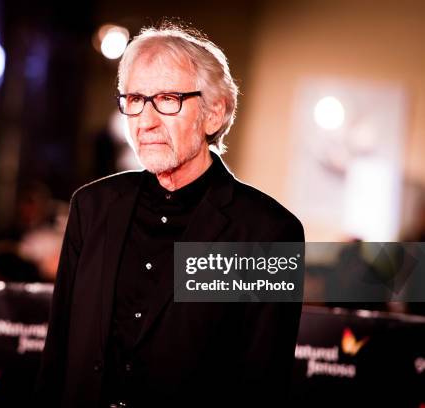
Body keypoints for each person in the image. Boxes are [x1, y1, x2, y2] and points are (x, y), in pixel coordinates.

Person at [37, 23, 304, 407]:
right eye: (134, 99)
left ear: (214, 113)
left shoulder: (267, 234)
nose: (144, 122)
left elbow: (262, 385)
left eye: (166, 99)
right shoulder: (91, 207)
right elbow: (57, 357)